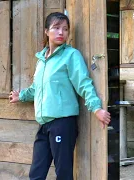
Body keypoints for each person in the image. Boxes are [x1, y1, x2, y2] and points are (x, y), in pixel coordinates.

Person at [9, 12, 111, 180]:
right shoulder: (42, 60)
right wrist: (22, 96)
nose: (61, 33)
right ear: (46, 31)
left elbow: (83, 84)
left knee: (63, 173)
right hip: (44, 124)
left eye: (65, 29)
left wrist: (96, 108)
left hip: (62, 123)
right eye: (56, 28)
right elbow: (37, 88)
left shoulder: (71, 55)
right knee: (36, 173)